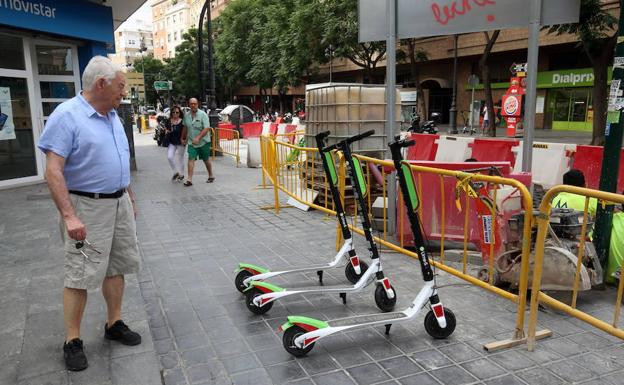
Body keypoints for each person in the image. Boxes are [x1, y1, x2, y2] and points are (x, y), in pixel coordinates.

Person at [37, 56, 141, 372]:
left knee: (116, 266)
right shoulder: (67, 116)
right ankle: (72, 340)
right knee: (80, 274)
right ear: (101, 84)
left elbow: (118, 160)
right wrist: (69, 216)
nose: (124, 94)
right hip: (87, 207)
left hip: (118, 202)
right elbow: (53, 171)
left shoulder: (110, 115)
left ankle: (114, 323)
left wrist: (128, 194)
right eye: (121, 88)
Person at [182, 97, 214, 186]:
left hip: (203, 141)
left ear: (197, 104)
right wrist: (183, 138)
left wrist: (198, 137)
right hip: (192, 142)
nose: (193, 105)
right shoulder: (186, 115)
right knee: (191, 159)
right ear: (189, 105)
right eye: (191, 103)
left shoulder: (203, 114)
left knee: (206, 159)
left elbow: (206, 128)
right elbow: (185, 127)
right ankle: (189, 179)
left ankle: (211, 175)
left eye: (194, 103)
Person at [165, 105, 187, 182]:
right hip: (172, 142)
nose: (175, 114)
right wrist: (166, 131)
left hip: (180, 142)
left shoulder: (182, 121)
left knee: (180, 158)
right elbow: (167, 128)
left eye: (177, 112)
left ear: (179, 113)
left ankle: (181, 174)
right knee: (169, 157)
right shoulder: (169, 121)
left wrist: (185, 140)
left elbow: (186, 131)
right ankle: (175, 172)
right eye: (173, 112)